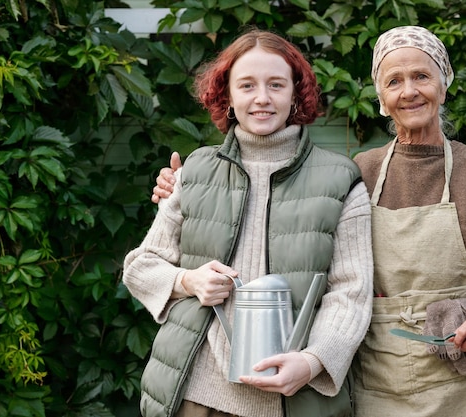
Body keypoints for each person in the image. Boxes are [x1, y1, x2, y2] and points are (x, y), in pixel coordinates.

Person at [153, 26, 466, 417]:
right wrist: (179, 186)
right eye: (394, 81)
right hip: (381, 379)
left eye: (422, 76)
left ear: (444, 83)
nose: (409, 91)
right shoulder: (357, 173)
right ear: (382, 98)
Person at [124, 29, 373, 417]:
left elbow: (351, 294)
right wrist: (186, 281)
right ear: (228, 96)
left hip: (292, 397)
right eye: (247, 85)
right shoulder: (195, 171)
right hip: (195, 392)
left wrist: (311, 362)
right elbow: (141, 266)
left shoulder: (340, 180)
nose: (261, 98)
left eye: (276, 84)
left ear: (296, 93)